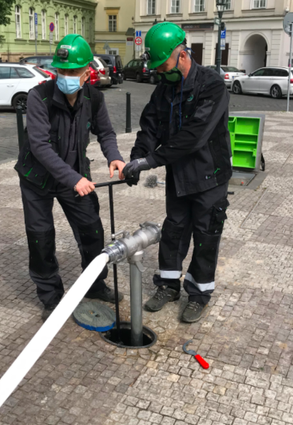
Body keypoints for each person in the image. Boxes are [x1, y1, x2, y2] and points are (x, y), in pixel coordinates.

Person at [123, 22, 232, 323]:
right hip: (180, 176)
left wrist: (151, 161)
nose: (160, 71)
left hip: (210, 176)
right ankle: (168, 286)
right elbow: (149, 128)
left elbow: (194, 137)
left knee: (206, 235)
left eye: (164, 65)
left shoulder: (212, 86)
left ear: (182, 55)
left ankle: (198, 294)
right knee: (174, 231)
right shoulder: (164, 90)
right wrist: (135, 159)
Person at [15, 34, 126, 320]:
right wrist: (73, 178)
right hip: (37, 179)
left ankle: (94, 284)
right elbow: (39, 145)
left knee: (92, 230)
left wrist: (114, 156)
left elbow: (106, 133)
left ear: (87, 71)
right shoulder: (39, 97)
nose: (65, 76)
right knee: (41, 238)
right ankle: (51, 298)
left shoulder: (94, 97)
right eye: (61, 71)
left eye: (72, 71)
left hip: (74, 174)